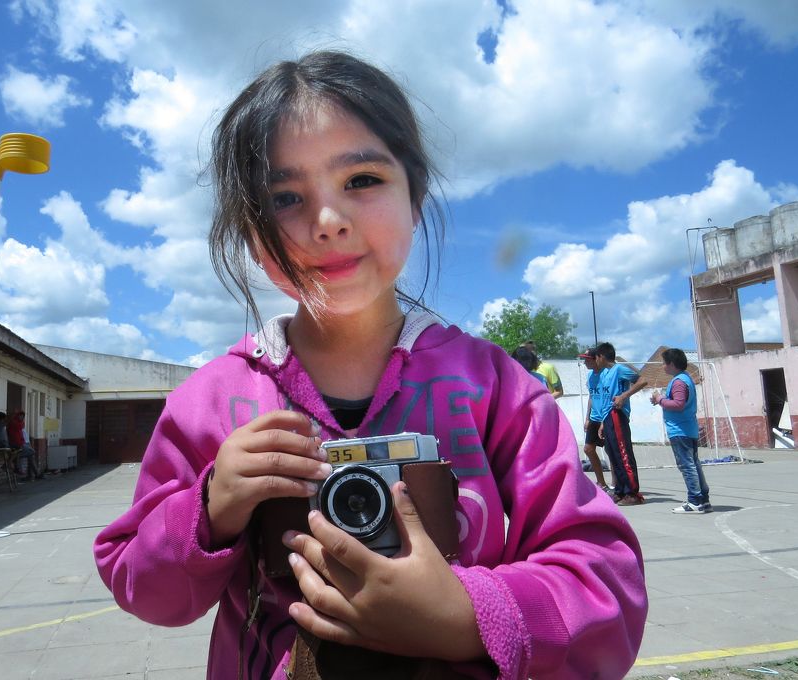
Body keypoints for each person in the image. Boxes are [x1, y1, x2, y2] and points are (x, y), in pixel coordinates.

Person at [93, 50, 647, 679]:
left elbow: (608, 579)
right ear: (248, 232)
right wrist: (211, 507)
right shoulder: (210, 403)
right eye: (284, 197)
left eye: (361, 180)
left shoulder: (495, 389)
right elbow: (141, 585)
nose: (327, 222)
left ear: (416, 197)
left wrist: (468, 616)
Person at [651, 348, 711, 514]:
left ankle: (695, 500)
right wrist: (662, 400)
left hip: (680, 429)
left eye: (664, 363)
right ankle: (703, 499)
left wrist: (660, 399)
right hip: (687, 428)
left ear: (671, 364)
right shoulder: (685, 379)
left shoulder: (679, 381)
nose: (663, 366)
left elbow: (678, 404)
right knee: (694, 464)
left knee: (687, 465)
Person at [592, 343, 648, 507]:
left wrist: (624, 396)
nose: (596, 361)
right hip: (608, 416)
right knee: (613, 453)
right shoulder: (604, 375)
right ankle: (620, 490)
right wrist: (603, 422)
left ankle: (632, 492)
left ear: (601, 356)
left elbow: (642, 380)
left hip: (618, 415)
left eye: (596, 357)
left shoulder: (619, 369)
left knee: (623, 453)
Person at [578, 348, 611, 492]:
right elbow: (591, 397)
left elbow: (609, 398)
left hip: (606, 418)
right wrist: (587, 418)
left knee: (611, 451)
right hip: (594, 419)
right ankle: (601, 483)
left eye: (587, 359)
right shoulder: (591, 376)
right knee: (588, 449)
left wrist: (604, 421)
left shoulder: (607, 374)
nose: (585, 362)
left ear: (596, 359)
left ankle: (617, 484)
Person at [8, 410, 43, 481]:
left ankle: (33, 475)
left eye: (22, 416)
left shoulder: (18, 423)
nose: (21, 418)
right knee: (31, 452)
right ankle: (12, 462)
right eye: (20, 416)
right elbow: (20, 426)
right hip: (18, 444)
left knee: (31, 456)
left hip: (23, 443)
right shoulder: (14, 423)